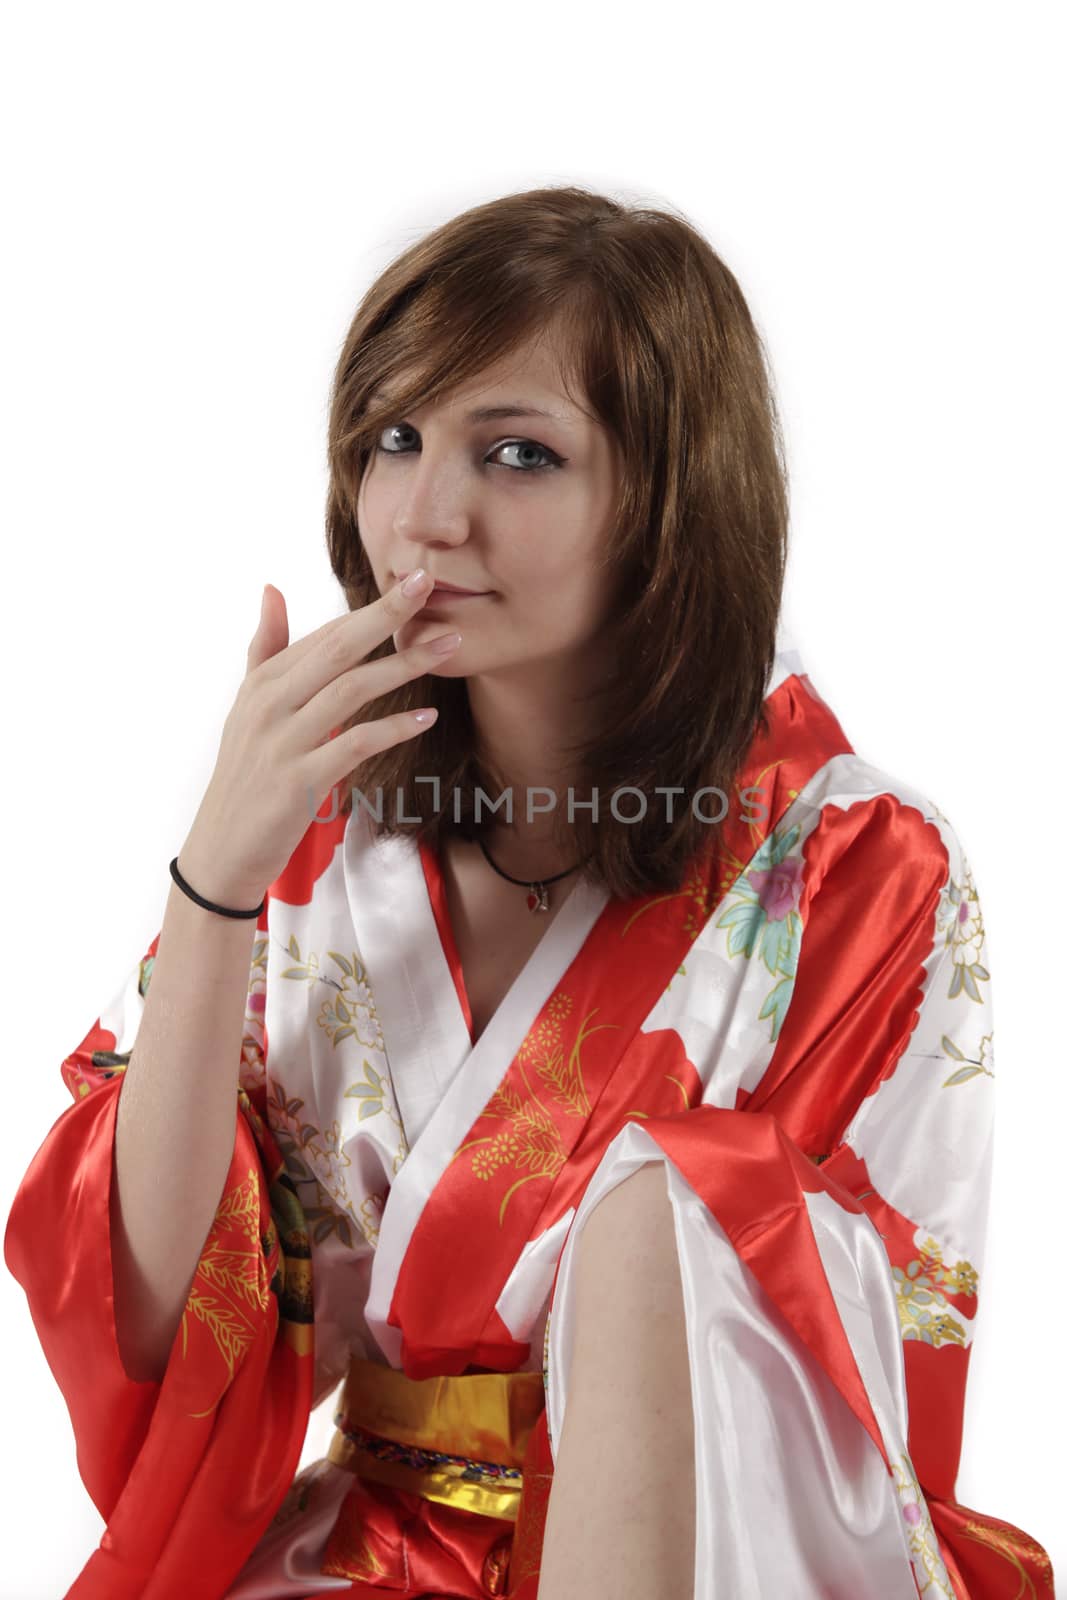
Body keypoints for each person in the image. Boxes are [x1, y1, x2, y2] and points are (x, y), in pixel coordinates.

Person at [4, 185, 1055, 1600]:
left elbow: (843, 1383)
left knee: (675, 1208)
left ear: (670, 501)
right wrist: (218, 884)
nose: (425, 518)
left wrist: (655, 1220)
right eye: (393, 440)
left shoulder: (855, 865)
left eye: (517, 453)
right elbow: (149, 1327)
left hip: (695, 1554)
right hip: (366, 1556)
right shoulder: (331, 838)